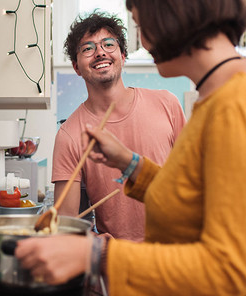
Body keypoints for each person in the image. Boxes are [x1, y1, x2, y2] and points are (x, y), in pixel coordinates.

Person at [15, 1, 246, 295]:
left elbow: (227, 270)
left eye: (141, 27)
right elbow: (191, 201)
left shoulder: (239, 107)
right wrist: (130, 163)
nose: (144, 44)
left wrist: (96, 254)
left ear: (172, 18)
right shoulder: (221, 98)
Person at [52, 11, 186, 241]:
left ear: (123, 56)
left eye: (108, 44)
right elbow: (65, 224)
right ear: (76, 67)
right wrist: (95, 243)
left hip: (177, 254)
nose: (100, 52)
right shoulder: (70, 135)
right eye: (87, 48)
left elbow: (192, 180)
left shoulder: (167, 103)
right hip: (119, 263)